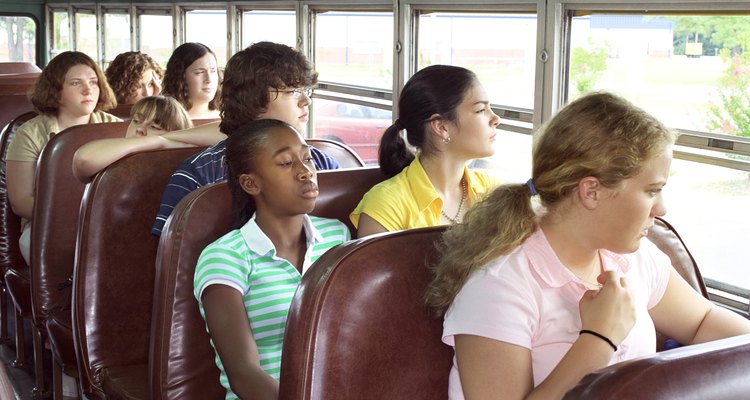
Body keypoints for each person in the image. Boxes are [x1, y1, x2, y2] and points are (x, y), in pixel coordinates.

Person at [425, 92, 750, 400]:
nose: (661, 208)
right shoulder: (498, 285)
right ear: (591, 191)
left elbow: (702, 321)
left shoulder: (633, 258)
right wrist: (599, 338)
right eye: (652, 190)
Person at [194, 119, 349, 400]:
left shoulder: (338, 236)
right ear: (251, 183)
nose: (306, 172)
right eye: (287, 163)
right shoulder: (225, 257)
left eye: (307, 158)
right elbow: (244, 375)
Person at [151, 41, 340, 237]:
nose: (306, 101)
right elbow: (172, 254)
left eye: (306, 90)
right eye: (292, 91)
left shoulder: (322, 163)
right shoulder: (199, 172)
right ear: (253, 99)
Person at [350, 65, 500, 238]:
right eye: (480, 110)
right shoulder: (385, 204)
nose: (496, 119)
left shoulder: (493, 192)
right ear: (441, 127)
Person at [6, 50, 119, 265]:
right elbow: (21, 202)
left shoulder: (115, 126)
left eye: (94, 82)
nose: (88, 90)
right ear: (56, 91)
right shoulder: (30, 133)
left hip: (105, 222)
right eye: (76, 83)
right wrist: (77, 217)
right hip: (47, 227)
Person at [72, 95, 215, 182]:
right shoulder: (110, 155)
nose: (140, 129)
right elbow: (83, 160)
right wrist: (155, 140)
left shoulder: (184, 169)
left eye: (155, 127)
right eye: (136, 121)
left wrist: (163, 141)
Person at [161, 42, 221, 119]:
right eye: (199, 72)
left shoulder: (227, 120)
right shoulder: (163, 121)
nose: (209, 80)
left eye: (213, 71)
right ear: (180, 77)